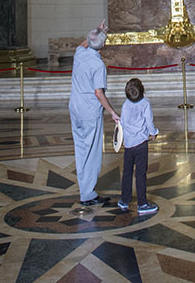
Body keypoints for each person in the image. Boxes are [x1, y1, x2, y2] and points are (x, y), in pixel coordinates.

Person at [68, 19, 119, 206]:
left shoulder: (79, 53)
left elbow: (85, 42)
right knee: (92, 152)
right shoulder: (98, 65)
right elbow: (99, 93)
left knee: (81, 149)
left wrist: (97, 30)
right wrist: (112, 112)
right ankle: (87, 193)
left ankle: (85, 190)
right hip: (89, 111)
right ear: (103, 45)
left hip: (75, 107)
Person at [117, 77, 159, 215]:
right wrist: (154, 133)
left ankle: (124, 200)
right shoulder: (145, 103)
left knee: (127, 172)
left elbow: (122, 123)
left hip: (128, 144)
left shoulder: (125, 104)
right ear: (143, 90)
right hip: (141, 143)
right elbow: (149, 122)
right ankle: (142, 203)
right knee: (141, 174)